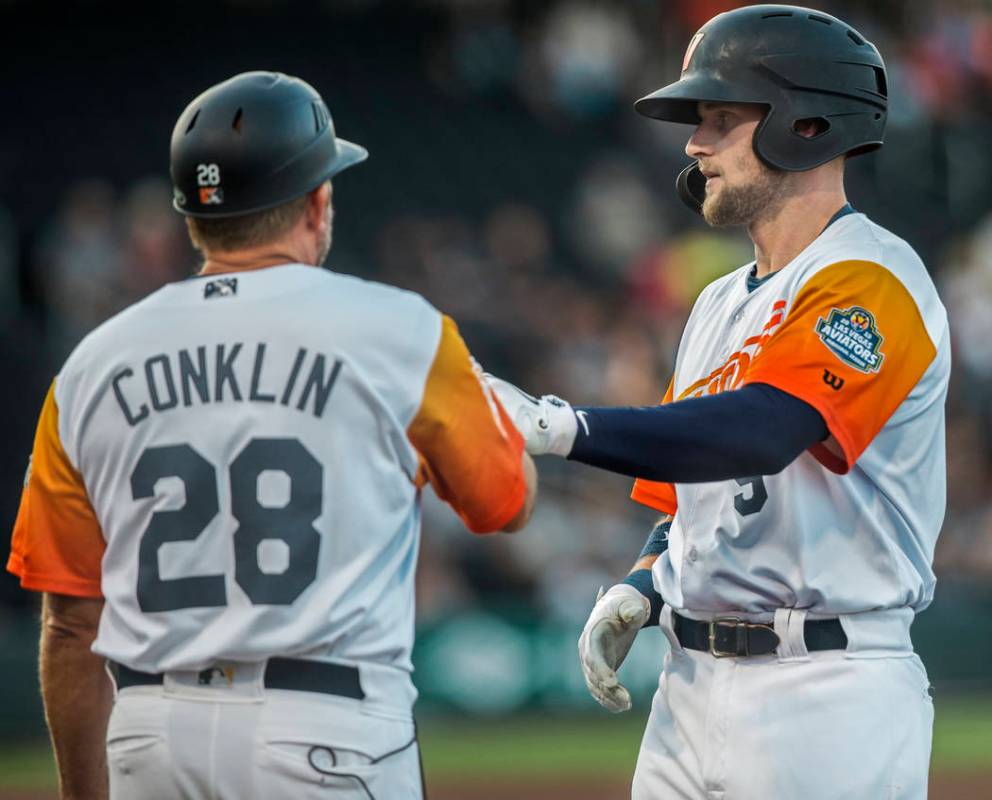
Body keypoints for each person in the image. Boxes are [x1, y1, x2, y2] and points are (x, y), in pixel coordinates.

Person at [8, 70, 536, 800]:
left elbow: (69, 625)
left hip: (148, 733)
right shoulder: (401, 331)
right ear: (318, 203)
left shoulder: (90, 366)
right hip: (328, 726)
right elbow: (505, 504)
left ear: (192, 219)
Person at [489, 6, 947, 799]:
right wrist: (644, 579)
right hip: (689, 688)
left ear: (805, 124)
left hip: (826, 694)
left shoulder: (872, 278)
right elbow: (691, 489)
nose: (696, 145)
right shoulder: (717, 303)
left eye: (722, 119)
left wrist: (562, 428)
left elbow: (761, 431)